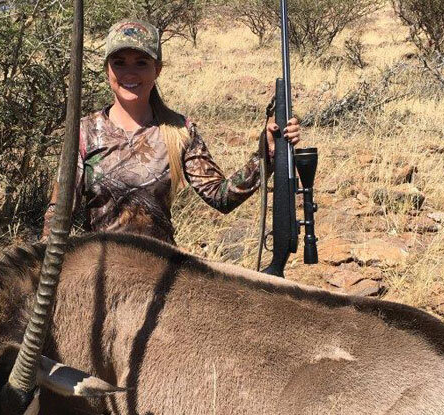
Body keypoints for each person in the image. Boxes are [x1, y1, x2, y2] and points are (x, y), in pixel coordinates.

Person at [43, 19, 301, 246]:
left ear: (157, 70)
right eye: (119, 63)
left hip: (162, 272)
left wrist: (267, 153)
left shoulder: (179, 130)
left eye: (141, 63)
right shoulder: (84, 132)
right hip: (102, 273)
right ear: (107, 70)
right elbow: (59, 214)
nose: (129, 73)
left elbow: (221, 197)